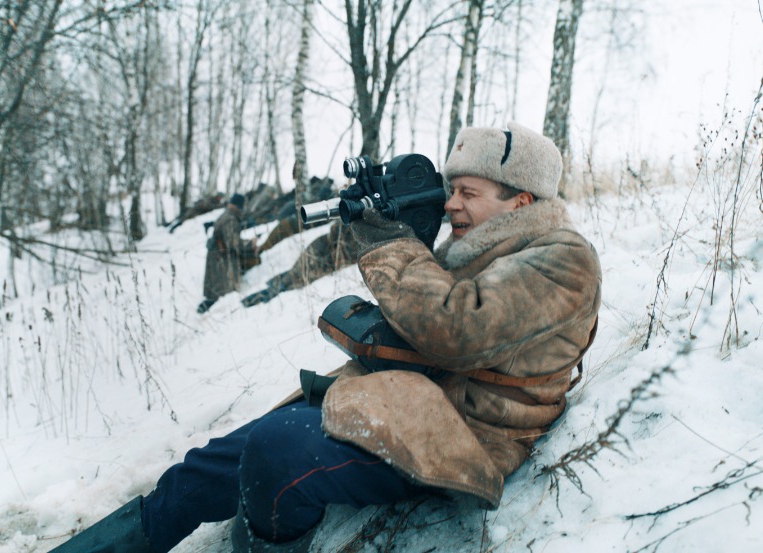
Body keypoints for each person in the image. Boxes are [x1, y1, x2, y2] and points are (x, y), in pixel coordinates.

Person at [50, 122, 602, 552]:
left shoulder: (564, 259)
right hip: (409, 400)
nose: (450, 202)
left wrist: (392, 243)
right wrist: (404, 233)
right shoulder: (475, 248)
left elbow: (455, 330)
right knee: (206, 467)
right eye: (450, 189)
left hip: (464, 434)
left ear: (520, 201)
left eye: (468, 192)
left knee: (276, 451)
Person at [241, 220, 359, 307]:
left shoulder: (347, 232)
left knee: (291, 278)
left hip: (318, 253)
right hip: (316, 255)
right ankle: (254, 300)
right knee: (288, 283)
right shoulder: (341, 234)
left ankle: (267, 289)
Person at [197, 193, 258, 314]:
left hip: (218, 258)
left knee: (216, 293)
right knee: (221, 294)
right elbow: (233, 244)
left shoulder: (227, 216)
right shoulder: (231, 219)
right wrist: (250, 244)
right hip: (221, 261)